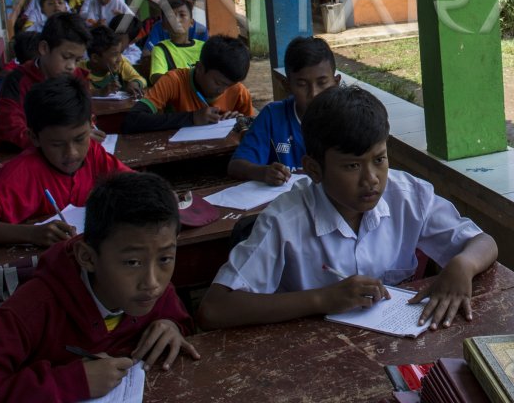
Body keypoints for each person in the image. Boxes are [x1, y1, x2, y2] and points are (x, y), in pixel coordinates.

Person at [196, 85, 498, 331]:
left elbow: (484, 242)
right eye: (352, 166)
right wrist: (321, 299)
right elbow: (214, 308)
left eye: (379, 159)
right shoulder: (284, 220)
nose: (371, 180)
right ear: (313, 169)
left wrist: (463, 265)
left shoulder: (408, 195)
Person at [0, 172, 198, 403]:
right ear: (88, 257)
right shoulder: (34, 307)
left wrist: (172, 325)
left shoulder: (153, 289)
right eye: (132, 262)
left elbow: (181, 321)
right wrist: (70, 381)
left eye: (165, 258)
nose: (152, 282)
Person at [0, 77, 132, 247]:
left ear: (91, 125)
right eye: (57, 144)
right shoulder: (20, 174)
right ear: (34, 137)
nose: (71, 153)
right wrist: (32, 234)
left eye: (80, 139)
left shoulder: (93, 153)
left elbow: (134, 185)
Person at [228, 36, 340, 185]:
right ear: (287, 86)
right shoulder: (273, 117)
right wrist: (262, 172)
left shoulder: (347, 118)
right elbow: (235, 166)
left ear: (336, 82)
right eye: (302, 84)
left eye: (322, 83)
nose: (313, 93)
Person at [0, 13, 91, 152]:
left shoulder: (78, 77)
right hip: (30, 156)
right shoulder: (18, 80)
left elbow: (86, 117)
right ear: (44, 48)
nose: (72, 67)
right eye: (66, 57)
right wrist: (55, 142)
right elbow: (9, 130)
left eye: (77, 60)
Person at [121, 35, 255, 133]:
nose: (223, 90)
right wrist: (192, 118)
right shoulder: (173, 81)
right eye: (218, 83)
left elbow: (254, 132)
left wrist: (240, 122)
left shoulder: (239, 91)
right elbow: (132, 120)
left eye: (230, 85)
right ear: (200, 68)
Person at [146, 0, 205, 83]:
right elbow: (156, 78)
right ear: (164, 25)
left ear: (191, 22)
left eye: (182, 15)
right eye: (171, 16)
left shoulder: (204, 47)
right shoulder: (161, 49)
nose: (176, 20)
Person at [143, 0, 208, 52]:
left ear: (191, 5)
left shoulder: (201, 31)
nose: (179, 6)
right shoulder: (159, 28)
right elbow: (147, 55)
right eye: (173, 4)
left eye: (184, 3)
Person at [84, 26, 146, 98]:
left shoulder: (121, 64)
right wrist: (99, 92)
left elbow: (141, 79)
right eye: (114, 54)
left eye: (120, 53)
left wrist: (135, 83)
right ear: (95, 58)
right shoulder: (79, 72)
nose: (119, 59)